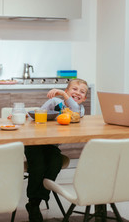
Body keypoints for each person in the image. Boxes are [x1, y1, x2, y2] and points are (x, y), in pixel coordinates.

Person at [25, 78, 88, 222]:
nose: (77, 93)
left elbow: (74, 110)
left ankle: (34, 203)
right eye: (74, 89)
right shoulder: (54, 103)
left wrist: (63, 94)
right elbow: (38, 114)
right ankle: (34, 204)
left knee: (55, 162)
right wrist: (24, 115)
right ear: (67, 91)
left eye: (82, 92)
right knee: (39, 165)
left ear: (84, 99)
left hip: (51, 146)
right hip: (34, 143)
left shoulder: (79, 110)